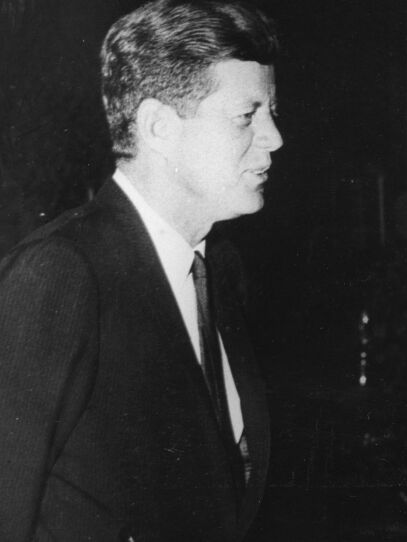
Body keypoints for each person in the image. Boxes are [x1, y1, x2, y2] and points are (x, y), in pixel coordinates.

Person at [0, 1, 283, 539]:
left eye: (272, 114)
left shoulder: (218, 271)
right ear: (158, 127)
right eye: (248, 115)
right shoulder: (59, 275)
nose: (273, 138)